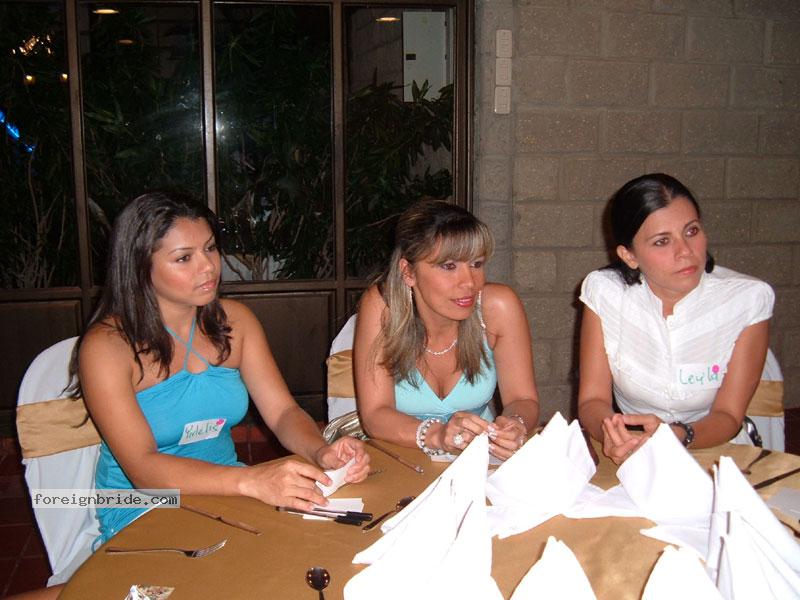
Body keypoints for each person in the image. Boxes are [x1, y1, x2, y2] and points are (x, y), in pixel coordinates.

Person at [74, 191, 370, 544]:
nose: (208, 267)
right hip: (143, 504)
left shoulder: (235, 322)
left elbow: (283, 412)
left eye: (210, 248)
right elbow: (143, 468)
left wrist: (320, 451)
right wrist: (252, 481)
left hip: (228, 491)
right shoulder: (106, 348)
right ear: (139, 266)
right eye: (184, 258)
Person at [578, 173, 774, 464]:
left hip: (714, 449)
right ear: (629, 256)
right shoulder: (605, 292)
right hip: (633, 450)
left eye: (691, 231)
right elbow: (592, 400)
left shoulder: (747, 299)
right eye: (662, 241)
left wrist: (677, 435)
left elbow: (728, 415)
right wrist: (612, 433)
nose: (685, 251)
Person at [353, 200, 539, 461]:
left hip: (480, 460)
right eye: (449, 266)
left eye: (476, 264)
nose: (469, 283)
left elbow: (522, 398)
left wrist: (515, 423)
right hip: (402, 459)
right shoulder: (382, 307)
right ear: (408, 272)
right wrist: (437, 435)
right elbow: (375, 415)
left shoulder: (499, 307)